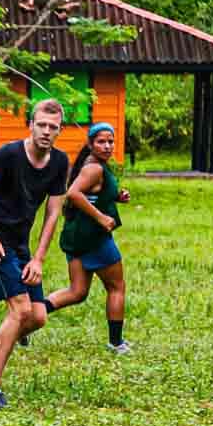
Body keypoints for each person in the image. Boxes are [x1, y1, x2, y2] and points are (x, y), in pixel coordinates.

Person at [0, 99, 69, 409]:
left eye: (53, 127)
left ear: (60, 130)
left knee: (38, 317)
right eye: (41, 125)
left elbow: (53, 213)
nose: (46, 131)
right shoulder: (8, 154)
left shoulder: (60, 163)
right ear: (31, 125)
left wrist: (39, 258)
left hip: (21, 245)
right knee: (19, 311)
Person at [42, 122, 132, 353]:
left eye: (110, 141)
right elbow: (73, 193)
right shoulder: (94, 168)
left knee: (77, 292)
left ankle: (27, 318)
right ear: (90, 144)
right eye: (101, 141)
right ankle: (116, 343)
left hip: (77, 235)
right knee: (117, 287)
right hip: (94, 238)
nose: (107, 145)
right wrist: (101, 218)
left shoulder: (94, 165)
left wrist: (116, 197)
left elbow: (92, 193)